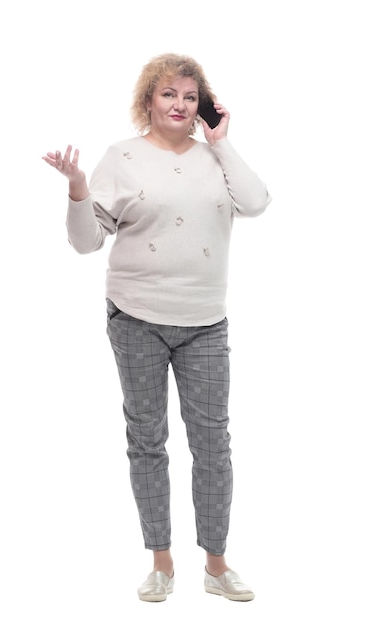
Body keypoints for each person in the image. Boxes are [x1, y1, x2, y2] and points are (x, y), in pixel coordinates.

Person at [43, 52, 271, 602]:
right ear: (149, 99)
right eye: (169, 94)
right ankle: (161, 562)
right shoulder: (120, 157)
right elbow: (85, 242)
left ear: (203, 106)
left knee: (213, 444)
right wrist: (77, 188)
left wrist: (220, 141)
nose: (179, 105)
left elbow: (258, 203)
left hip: (204, 322)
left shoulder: (215, 157)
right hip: (136, 319)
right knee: (147, 441)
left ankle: (216, 565)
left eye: (190, 97)